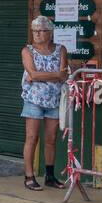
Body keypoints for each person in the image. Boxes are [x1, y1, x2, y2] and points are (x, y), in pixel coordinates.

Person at [20, 16, 69, 191]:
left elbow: (63, 76)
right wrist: (54, 75)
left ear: (50, 33)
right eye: (34, 30)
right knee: (32, 138)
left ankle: (50, 175)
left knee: (51, 139)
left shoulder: (61, 50)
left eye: (41, 31)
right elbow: (32, 74)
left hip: (54, 100)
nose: (37, 34)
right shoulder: (28, 51)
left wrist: (44, 75)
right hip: (33, 100)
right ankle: (29, 176)